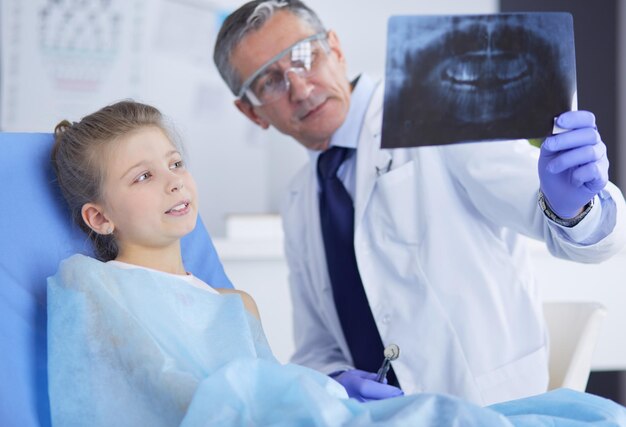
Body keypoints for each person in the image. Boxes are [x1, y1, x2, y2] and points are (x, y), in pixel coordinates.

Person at [47, 100, 626, 426]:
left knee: (573, 415)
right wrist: (320, 387)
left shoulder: (234, 303)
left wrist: (572, 204)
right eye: (144, 176)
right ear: (100, 218)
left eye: (175, 163)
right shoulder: (94, 290)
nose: (174, 181)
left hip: (447, 387)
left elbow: (271, 392)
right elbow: (143, 402)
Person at [212, 0, 626, 405]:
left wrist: (575, 205)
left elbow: (571, 233)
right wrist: (334, 383)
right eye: (270, 81)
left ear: (335, 48)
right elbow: (317, 345)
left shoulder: (440, 110)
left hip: (487, 407)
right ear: (252, 112)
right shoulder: (299, 198)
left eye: (305, 56)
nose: (300, 89)